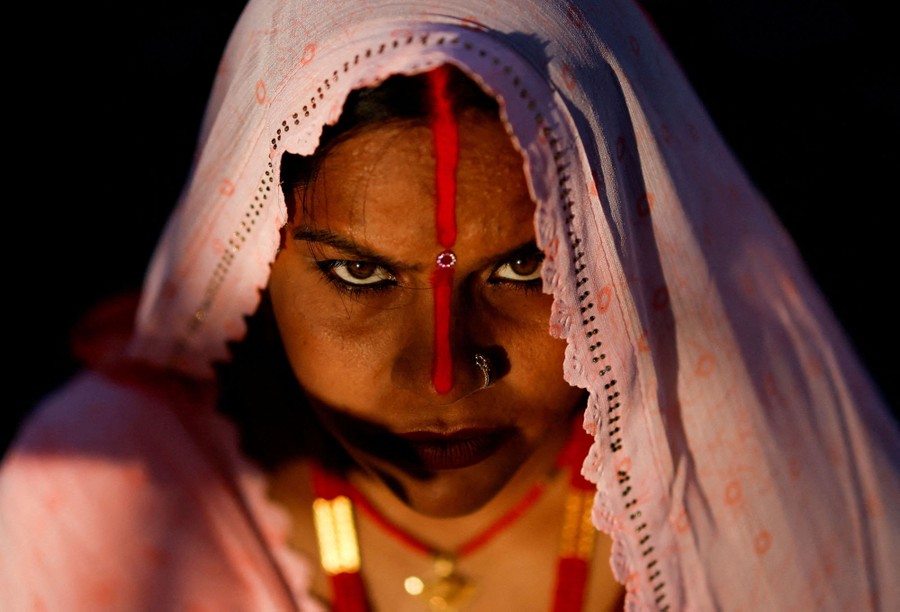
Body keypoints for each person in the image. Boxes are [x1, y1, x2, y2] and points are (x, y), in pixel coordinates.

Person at [1, 0, 897, 611]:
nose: (443, 373)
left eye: (524, 266)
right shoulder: (101, 494)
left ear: (623, 254)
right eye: (359, 275)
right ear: (250, 259)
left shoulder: (762, 494)